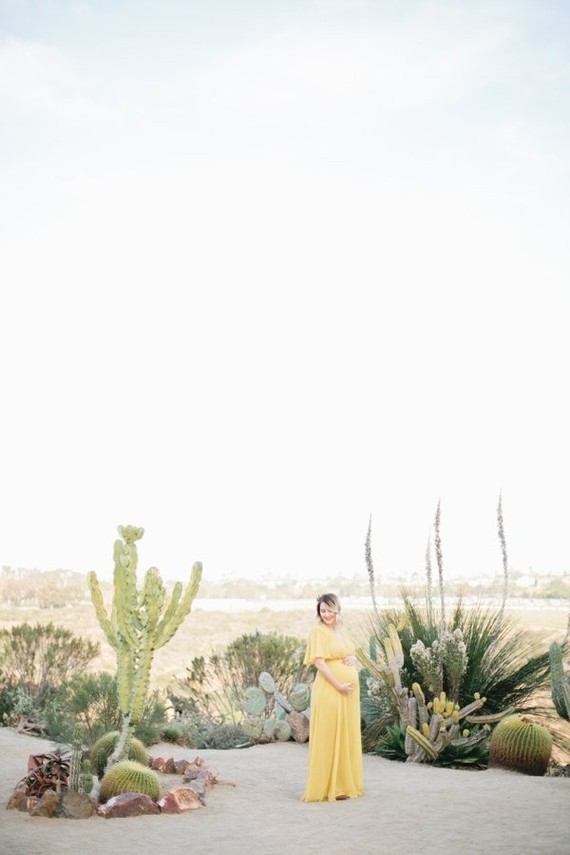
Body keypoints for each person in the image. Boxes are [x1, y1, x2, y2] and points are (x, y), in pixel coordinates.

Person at [302, 592, 364, 802]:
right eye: (322, 611)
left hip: (348, 694)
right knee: (330, 735)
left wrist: (352, 659)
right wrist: (338, 685)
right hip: (330, 689)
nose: (326, 614)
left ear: (337, 609)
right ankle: (330, 787)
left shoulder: (340, 631)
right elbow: (320, 663)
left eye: (329, 609)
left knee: (345, 735)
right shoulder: (317, 633)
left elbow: (350, 653)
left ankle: (345, 784)